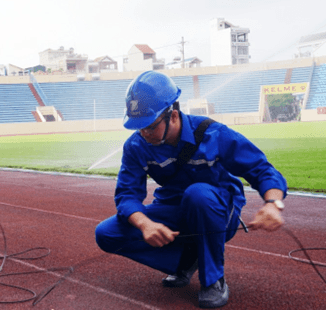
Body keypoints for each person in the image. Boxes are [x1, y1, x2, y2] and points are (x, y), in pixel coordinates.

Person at [94, 71, 287, 308]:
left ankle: (213, 279)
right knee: (106, 233)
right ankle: (186, 259)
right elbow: (126, 195)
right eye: (138, 128)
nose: (143, 134)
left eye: (149, 127)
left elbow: (260, 168)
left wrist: (272, 204)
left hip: (217, 210)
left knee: (198, 194)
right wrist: (146, 224)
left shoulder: (213, 134)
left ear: (172, 115)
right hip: (174, 207)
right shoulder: (136, 145)